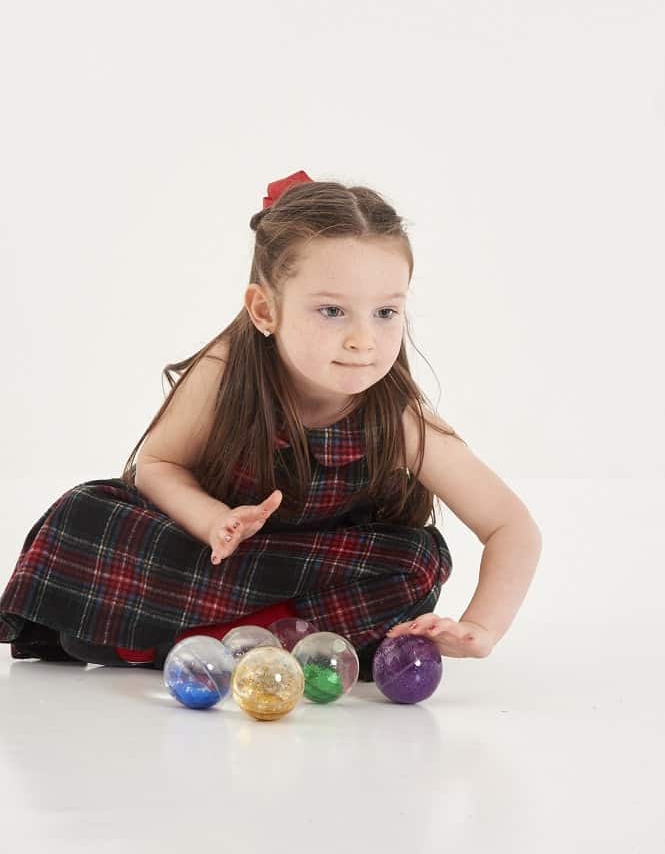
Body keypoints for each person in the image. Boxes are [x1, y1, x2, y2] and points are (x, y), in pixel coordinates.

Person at [0, 170, 542, 682]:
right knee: (83, 512)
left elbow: (510, 526)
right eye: (332, 311)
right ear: (264, 310)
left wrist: (481, 627)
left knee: (417, 561)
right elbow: (158, 465)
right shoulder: (226, 372)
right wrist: (213, 520)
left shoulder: (398, 418)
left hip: (312, 572)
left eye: (385, 312)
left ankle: (177, 641)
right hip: (213, 557)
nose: (364, 340)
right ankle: (186, 635)